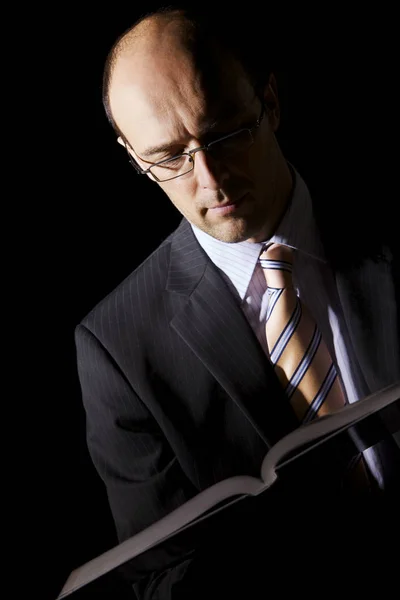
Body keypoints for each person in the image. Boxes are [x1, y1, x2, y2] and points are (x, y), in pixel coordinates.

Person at [74, 5, 400, 599]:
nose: (211, 180)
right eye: (170, 157)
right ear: (133, 159)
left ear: (269, 103)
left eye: (223, 133)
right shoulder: (116, 347)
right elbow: (161, 578)